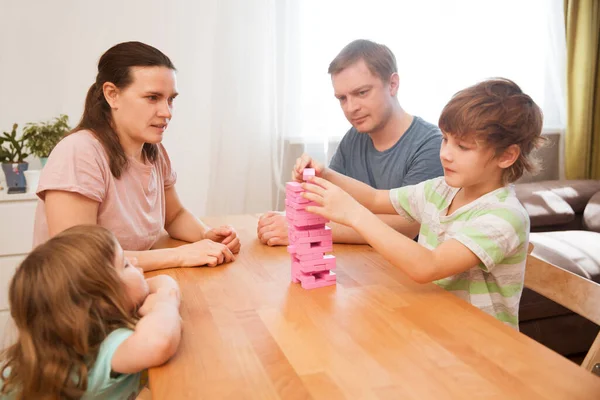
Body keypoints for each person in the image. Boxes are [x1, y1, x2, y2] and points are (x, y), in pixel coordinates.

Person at [295, 78, 544, 330]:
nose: (446, 153)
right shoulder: (440, 189)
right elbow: (374, 197)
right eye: (445, 139)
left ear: (506, 156)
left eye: (463, 147)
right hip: (433, 325)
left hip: (481, 344)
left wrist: (353, 214)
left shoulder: (504, 217)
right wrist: (326, 174)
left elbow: (429, 266)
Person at [33, 41, 240, 271]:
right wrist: (180, 255)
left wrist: (206, 234)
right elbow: (79, 258)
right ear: (112, 95)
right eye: (152, 97)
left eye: (170, 99)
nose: (166, 112)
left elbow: (174, 216)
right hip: (74, 300)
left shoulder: (153, 152)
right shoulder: (78, 153)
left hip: (122, 285)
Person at [258, 39, 442, 246]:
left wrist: (307, 230)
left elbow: (406, 227)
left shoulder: (431, 145)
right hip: (363, 265)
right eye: (342, 99)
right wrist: (308, 187)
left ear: (392, 84)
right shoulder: (355, 137)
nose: (351, 108)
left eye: (361, 93)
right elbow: (329, 204)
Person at [0, 225, 181, 398]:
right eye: (125, 265)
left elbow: (156, 284)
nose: (134, 261)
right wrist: (165, 299)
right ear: (103, 302)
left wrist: (160, 293)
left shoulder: (77, 337)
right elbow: (158, 342)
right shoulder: (105, 347)